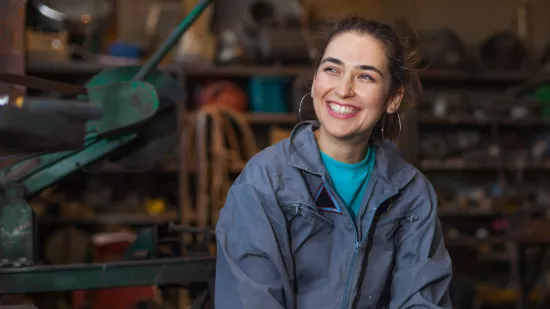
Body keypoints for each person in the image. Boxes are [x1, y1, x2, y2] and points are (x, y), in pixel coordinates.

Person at [215, 17, 453, 309]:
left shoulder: (412, 193)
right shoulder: (264, 182)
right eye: (332, 69)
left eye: (365, 76)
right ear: (315, 81)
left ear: (392, 98)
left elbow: (422, 301)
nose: (343, 90)